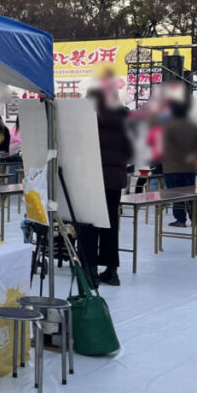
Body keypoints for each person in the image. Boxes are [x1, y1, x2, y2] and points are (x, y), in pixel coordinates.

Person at [78, 89, 131, 286]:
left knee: (88, 225)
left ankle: (89, 270)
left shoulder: (89, 119)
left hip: (91, 178)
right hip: (115, 180)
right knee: (110, 225)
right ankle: (112, 271)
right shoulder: (125, 120)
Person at [162, 97, 197, 227]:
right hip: (189, 166)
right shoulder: (194, 126)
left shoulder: (168, 127)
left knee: (176, 195)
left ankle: (180, 220)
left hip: (172, 166)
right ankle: (195, 218)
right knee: (191, 194)